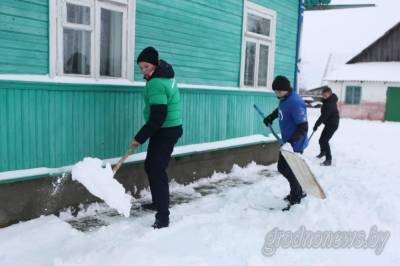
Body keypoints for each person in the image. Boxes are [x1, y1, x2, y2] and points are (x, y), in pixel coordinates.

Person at [131, 47, 183, 229]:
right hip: (168, 128)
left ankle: (163, 216)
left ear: (154, 64)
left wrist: (140, 137)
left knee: (157, 169)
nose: (143, 71)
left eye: (146, 67)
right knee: (151, 166)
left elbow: (158, 116)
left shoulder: (156, 83)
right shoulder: (165, 77)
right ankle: (157, 202)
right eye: (141, 68)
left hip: (164, 130)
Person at [263, 76, 309, 211]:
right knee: (286, 169)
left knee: (287, 169)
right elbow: (280, 110)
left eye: (279, 92)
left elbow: (303, 127)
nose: (277, 94)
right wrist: (271, 117)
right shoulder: (284, 99)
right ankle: (297, 191)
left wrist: (291, 142)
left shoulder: (295, 102)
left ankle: (296, 197)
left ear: (286, 89)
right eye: (275, 92)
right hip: (287, 142)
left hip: (295, 144)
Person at [313, 86, 339, 166]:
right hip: (329, 123)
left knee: (324, 140)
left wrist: (316, 125)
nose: (324, 97)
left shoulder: (330, 104)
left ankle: (328, 160)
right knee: (321, 140)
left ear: (330, 94)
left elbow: (323, 116)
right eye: (323, 95)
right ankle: (323, 152)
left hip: (332, 124)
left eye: (326, 95)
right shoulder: (328, 101)